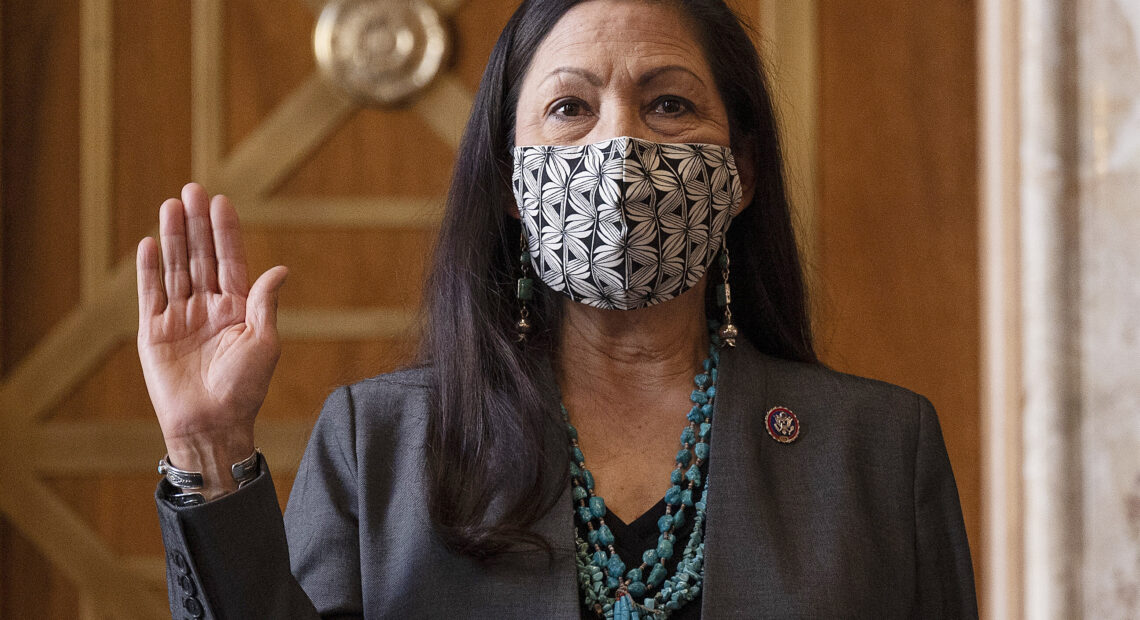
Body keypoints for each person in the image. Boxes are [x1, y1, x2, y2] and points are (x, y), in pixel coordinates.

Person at [138, 0, 978, 617]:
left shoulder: (876, 448)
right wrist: (207, 446)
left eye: (670, 104)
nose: (620, 144)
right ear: (510, 182)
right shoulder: (382, 442)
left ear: (742, 173)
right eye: (570, 108)